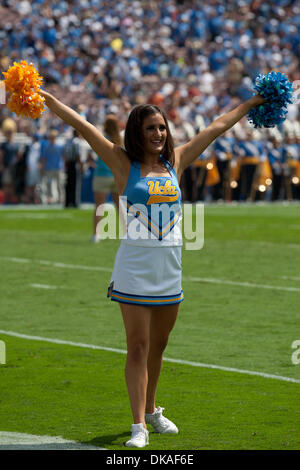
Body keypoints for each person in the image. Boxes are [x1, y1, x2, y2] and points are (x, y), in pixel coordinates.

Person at [38, 88, 265, 448]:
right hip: (135, 266)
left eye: (161, 127)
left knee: (159, 346)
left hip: (170, 267)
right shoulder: (121, 163)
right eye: (150, 129)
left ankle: (150, 409)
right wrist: (48, 100)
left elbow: (216, 127)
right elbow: (80, 123)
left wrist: (251, 104)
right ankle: (137, 427)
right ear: (136, 133)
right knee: (138, 346)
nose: (158, 134)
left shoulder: (177, 160)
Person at [91, 114, 121, 243]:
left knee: (99, 206)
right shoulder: (122, 141)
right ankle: (128, 234)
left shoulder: (101, 139)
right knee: (121, 207)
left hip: (102, 175)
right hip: (117, 176)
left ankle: (96, 235)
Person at [40, 129, 64, 204]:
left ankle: (61, 198)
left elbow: (63, 157)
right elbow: (44, 158)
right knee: (49, 184)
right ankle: (49, 198)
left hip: (58, 168)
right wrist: (43, 168)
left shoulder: (59, 146)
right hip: (49, 168)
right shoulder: (46, 147)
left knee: (59, 184)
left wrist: (63, 166)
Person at [63, 129, 82, 208]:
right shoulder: (76, 141)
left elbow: (65, 154)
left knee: (68, 184)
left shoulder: (68, 141)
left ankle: (67, 202)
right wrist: (81, 164)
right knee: (75, 184)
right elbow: (77, 155)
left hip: (68, 164)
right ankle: (74, 202)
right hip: (74, 164)